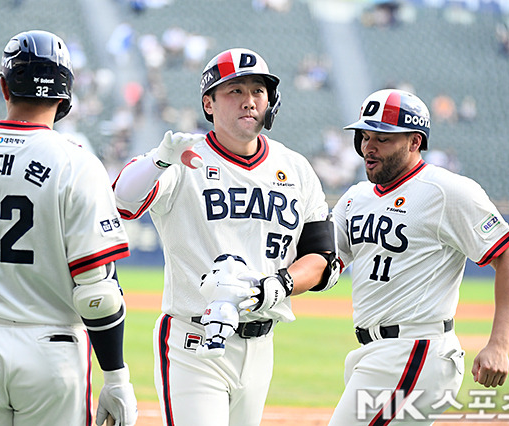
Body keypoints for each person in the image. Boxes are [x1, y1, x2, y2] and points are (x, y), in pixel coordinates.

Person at [113, 48, 339, 426]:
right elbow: (122, 201)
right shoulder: (185, 158)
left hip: (261, 341)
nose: (249, 101)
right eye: (234, 91)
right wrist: (159, 160)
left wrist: (277, 286)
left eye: (258, 91)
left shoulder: (296, 167)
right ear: (209, 103)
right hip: (193, 337)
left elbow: (321, 258)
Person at [0, 30, 137, 426]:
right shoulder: (77, 164)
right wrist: (115, 376)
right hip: (53, 348)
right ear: (66, 95)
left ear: (3, 84)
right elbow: (97, 291)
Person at [328, 89, 509, 425]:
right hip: (372, 353)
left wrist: (499, 344)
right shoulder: (355, 198)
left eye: (383, 138)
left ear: (415, 142)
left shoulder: (446, 190)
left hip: (415, 350)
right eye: (364, 136)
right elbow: (324, 261)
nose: (368, 147)